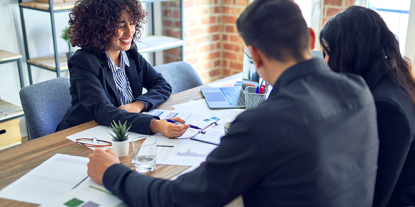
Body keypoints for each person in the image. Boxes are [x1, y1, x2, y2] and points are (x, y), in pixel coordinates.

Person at [87, 0, 380, 206]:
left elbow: (179, 200)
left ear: (255, 54)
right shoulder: (359, 91)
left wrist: (112, 173)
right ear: (311, 38)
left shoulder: (262, 124)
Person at [320, 6, 415, 207]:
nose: (325, 62)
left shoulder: (387, 107)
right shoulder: (394, 84)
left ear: (351, 53)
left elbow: (372, 197)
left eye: (328, 52)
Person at [56, 0, 188, 137]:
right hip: (83, 134)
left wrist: (138, 105)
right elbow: (103, 112)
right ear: (100, 27)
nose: (129, 32)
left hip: (121, 131)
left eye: (131, 23)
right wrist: (153, 124)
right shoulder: (83, 62)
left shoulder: (130, 53)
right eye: (120, 25)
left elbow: (162, 85)